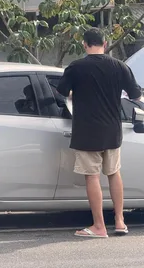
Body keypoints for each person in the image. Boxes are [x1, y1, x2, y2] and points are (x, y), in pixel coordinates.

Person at [57, 27, 143, 238]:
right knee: (114, 173)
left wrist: (76, 93)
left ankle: (99, 226)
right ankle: (120, 222)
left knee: (92, 176)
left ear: (84, 44)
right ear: (105, 44)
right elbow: (135, 94)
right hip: (113, 130)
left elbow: (61, 92)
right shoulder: (119, 66)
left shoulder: (76, 67)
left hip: (87, 132)